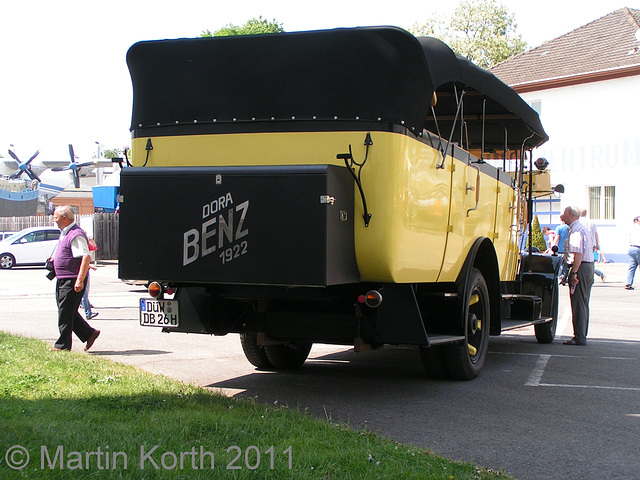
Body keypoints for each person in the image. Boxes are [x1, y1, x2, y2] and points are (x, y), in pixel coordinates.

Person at [50, 205, 100, 351]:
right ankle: (89, 333)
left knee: (65, 313)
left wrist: (79, 280)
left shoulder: (76, 234)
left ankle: (62, 346)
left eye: (56, 218)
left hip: (72, 279)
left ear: (64, 218)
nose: (55, 221)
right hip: (63, 278)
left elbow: (86, 257)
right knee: (66, 310)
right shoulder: (65, 232)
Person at [562, 206, 594, 346]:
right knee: (583, 302)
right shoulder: (583, 228)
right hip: (588, 267)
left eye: (564, 213)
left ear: (570, 214)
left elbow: (578, 253)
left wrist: (574, 272)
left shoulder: (576, 231)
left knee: (578, 302)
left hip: (580, 267)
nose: (562, 216)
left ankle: (579, 337)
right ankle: (581, 334)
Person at [581, 209, 606, 282]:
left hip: (582, 244)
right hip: (591, 244)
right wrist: (597, 244)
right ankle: (591, 277)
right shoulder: (591, 222)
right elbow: (595, 234)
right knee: (589, 262)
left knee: (581, 262)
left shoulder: (578, 222)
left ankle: (597, 275)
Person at [80, 238, 99, 319]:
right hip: (83, 272)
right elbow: (81, 261)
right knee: (84, 294)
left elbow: (95, 247)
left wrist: (91, 240)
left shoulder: (84, 245)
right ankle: (88, 313)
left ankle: (85, 308)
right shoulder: (80, 248)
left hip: (85, 271)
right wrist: (90, 266)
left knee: (84, 294)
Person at [625, 216, 640, 290]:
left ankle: (628, 283)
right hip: (638, 248)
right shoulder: (638, 227)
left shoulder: (631, 227)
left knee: (632, 267)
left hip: (631, 248)